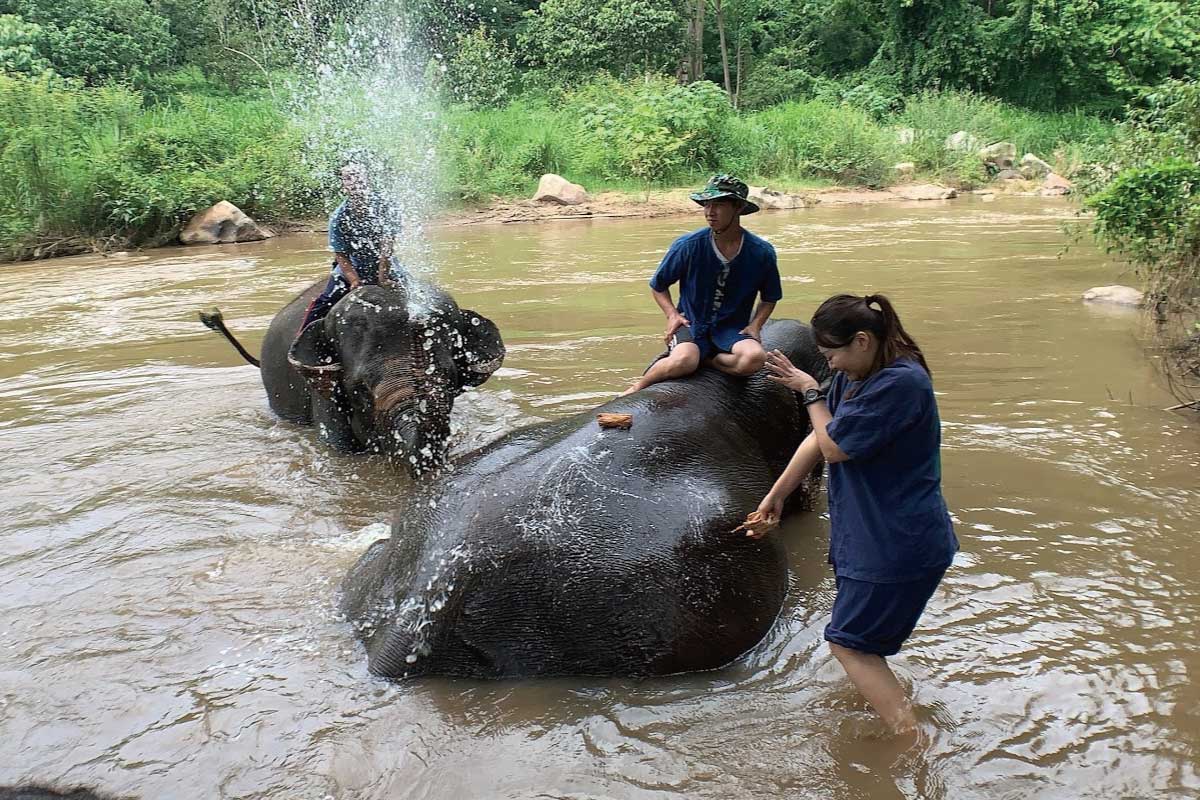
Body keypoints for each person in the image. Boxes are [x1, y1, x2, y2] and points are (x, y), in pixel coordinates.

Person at [744, 293, 958, 735]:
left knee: (848, 644)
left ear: (862, 340)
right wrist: (776, 495)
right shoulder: (857, 376)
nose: (832, 364)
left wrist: (809, 391)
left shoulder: (901, 383)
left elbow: (834, 447)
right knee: (859, 642)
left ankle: (909, 741)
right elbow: (820, 435)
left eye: (832, 355)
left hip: (895, 541)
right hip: (865, 536)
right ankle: (886, 708)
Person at [620, 174, 782, 395]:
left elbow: (770, 297)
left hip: (732, 328)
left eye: (719, 205)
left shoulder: (761, 252)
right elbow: (658, 285)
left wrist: (755, 325)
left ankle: (707, 360)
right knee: (684, 361)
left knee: (754, 359)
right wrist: (672, 315)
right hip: (691, 323)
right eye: (707, 204)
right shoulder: (688, 245)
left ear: (738, 207)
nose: (710, 212)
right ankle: (637, 387)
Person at [300, 160, 403, 331]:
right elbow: (341, 255)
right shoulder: (339, 217)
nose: (354, 181)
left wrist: (383, 277)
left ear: (367, 180)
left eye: (358, 176)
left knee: (414, 291)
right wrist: (354, 281)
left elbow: (387, 246)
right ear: (343, 185)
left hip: (384, 263)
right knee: (325, 301)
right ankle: (302, 337)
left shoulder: (385, 207)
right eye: (348, 178)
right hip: (353, 265)